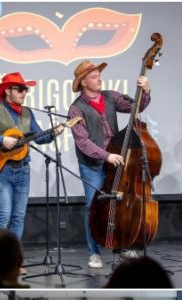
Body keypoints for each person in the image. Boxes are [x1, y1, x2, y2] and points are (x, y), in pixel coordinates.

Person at [67, 59, 152, 269]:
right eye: (94, 77)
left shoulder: (111, 96)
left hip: (116, 159)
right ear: (84, 82)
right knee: (92, 206)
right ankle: (94, 253)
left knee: (120, 203)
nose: (99, 79)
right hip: (92, 164)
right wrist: (106, 156)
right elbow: (83, 142)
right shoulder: (76, 109)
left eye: (99, 75)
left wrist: (146, 92)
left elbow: (136, 108)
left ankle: (121, 246)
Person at [0, 72, 65, 239]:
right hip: (2, 172)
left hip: (23, 171)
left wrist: (54, 132)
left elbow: (40, 137)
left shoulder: (28, 113)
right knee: (4, 216)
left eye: (26, 89)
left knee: (18, 217)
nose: (24, 93)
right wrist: (1, 140)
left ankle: (13, 258)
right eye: (20, 89)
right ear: (8, 91)